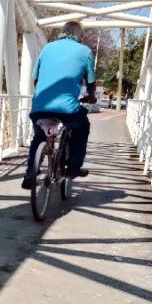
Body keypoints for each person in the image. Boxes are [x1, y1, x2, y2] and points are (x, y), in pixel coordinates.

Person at [21, 20, 97, 190]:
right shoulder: (85, 52)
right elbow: (91, 82)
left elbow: (36, 80)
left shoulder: (47, 48)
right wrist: (91, 97)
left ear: (62, 32)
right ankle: (73, 169)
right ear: (79, 35)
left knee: (39, 137)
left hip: (40, 106)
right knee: (82, 126)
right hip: (67, 109)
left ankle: (30, 174)